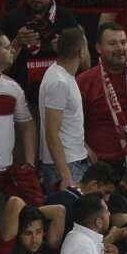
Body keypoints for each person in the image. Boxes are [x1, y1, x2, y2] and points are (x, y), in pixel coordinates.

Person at [76, 22, 127, 173]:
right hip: (102, 167)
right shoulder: (84, 81)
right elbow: (71, 126)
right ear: (99, 48)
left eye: (123, 42)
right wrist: (84, 148)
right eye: (112, 43)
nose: (120, 48)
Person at [0, 30, 38, 219]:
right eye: (7, 48)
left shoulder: (13, 88)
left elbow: (27, 125)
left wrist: (30, 164)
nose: (12, 51)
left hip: (5, 177)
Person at [38, 27, 89, 195]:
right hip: (66, 166)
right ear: (81, 52)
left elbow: (68, 121)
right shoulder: (59, 82)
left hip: (73, 160)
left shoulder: (63, 76)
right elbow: (51, 132)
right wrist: (65, 175)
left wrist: (85, 147)